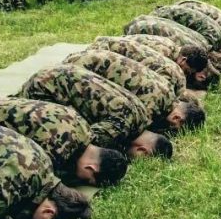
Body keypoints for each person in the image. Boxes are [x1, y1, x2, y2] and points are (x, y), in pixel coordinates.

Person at [0, 98, 128, 186]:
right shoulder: (57, 152)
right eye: (87, 179)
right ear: (90, 168)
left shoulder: (84, 129)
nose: (82, 180)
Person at [18, 64, 169, 158]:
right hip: (44, 86)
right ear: (143, 150)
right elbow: (81, 142)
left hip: (60, 70)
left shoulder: (142, 113)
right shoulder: (120, 128)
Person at [61, 49, 204, 132]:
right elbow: (127, 126)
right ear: (177, 118)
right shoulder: (151, 106)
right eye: (175, 128)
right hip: (79, 66)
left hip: (92, 55)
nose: (171, 128)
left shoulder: (168, 91)